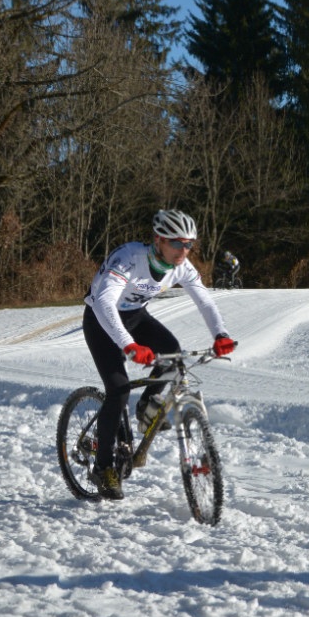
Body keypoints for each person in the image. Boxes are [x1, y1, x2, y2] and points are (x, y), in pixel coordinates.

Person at [83, 209, 237, 499]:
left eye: (190, 244)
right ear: (158, 240)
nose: (184, 250)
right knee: (117, 389)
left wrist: (220, 334)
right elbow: (104, 302)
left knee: (172, 354)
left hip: (134, 315)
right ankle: (103, 468)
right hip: (101, 319)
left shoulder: (182, 266)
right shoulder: (129, 258)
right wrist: (129, 345)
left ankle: (146, 407)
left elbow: (204, 300)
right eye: (177, 243)